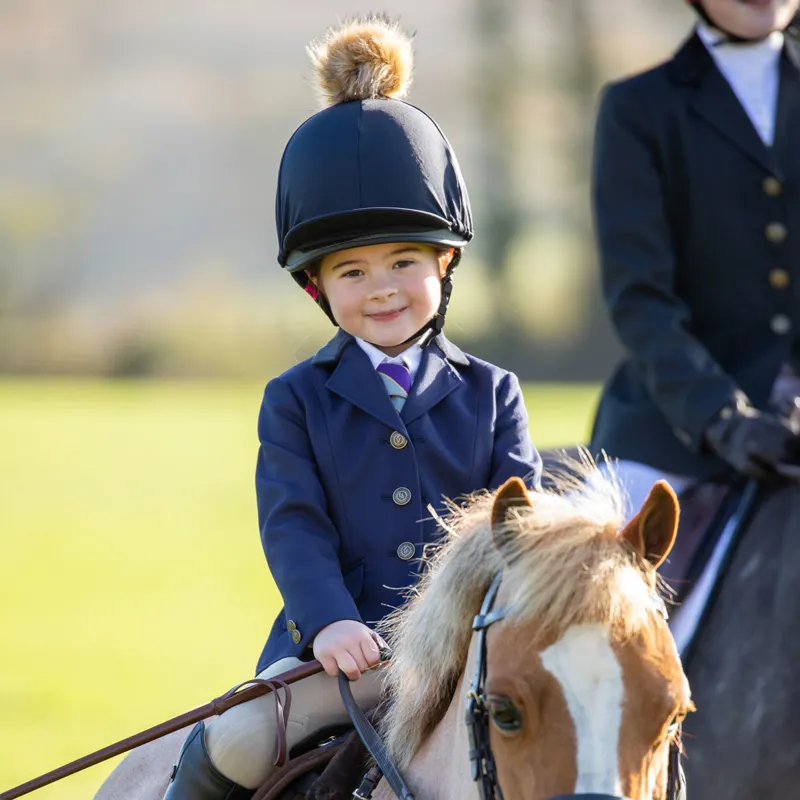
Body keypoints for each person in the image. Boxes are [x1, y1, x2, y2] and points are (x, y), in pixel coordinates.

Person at [162, 15, 542, 799]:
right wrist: (329, 621)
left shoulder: (493, 393)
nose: (382, 290)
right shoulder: (294, 400)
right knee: (232, 741)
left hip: (468, 653)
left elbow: (520, 532)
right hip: (341, 658)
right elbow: (293, 524)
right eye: (353, 273)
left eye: (404, 261)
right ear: (318, 287)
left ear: (445, 263)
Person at [588, 0, 800, 644]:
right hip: (677, 430)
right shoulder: (638, 109)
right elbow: (641, 298)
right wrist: (722, 418)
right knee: (591, 629)